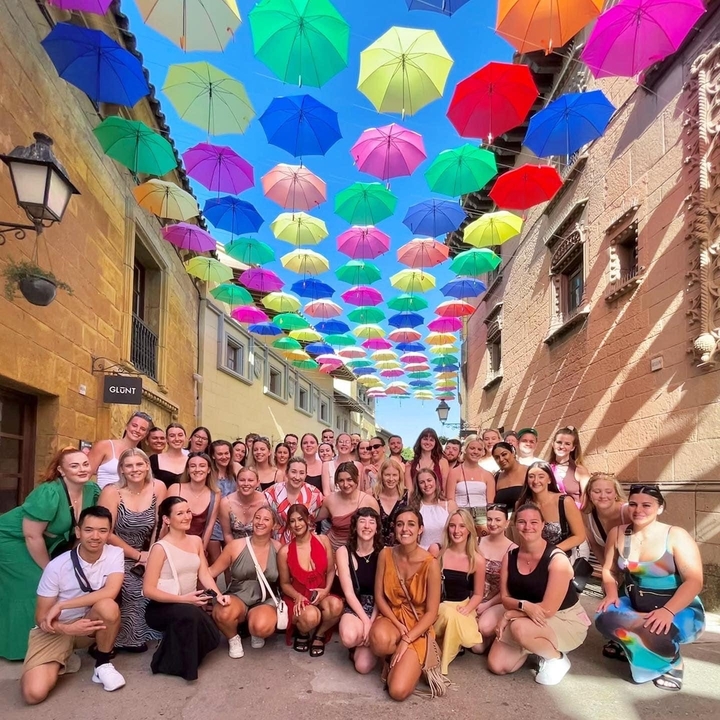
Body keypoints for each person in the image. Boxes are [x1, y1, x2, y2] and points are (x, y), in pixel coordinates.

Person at [595, 485, 705, 691]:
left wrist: (667, 611)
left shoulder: (676, 535)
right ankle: (634, 647)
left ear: (660, 508)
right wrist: (611, 593)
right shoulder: (618, 533)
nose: (638, 510)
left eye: (647, 505)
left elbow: (694, 581)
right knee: (604, 617)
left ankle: (674, 663)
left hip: (678, 607)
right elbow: (609, 570)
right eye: (633, 504)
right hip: (637, 601)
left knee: (656, 633)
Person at [0, 448, 100, 660]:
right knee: (35, 584)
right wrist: (51, 570)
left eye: (84, 464)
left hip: (43, 541)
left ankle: (43, 641)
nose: (82, 469)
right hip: (12, 539)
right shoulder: (49, 492)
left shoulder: (92, 490)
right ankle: (22, 649)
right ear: (62, 471)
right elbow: (32, 535)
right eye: (74, 466)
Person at [20, 506, 125, 704]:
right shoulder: (57, 566)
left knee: (108, 606)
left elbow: (110, 591)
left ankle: (102, 665)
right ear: (78, 532)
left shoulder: (114, 554)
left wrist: (63, 605)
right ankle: (63, 657)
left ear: (110, 533)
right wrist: (67, 627)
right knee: (33, 694)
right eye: (89, 530)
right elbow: (42, 617)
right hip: (56, 629)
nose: (96, 536)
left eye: (103, 531)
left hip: (88, 624)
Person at [488, 503, 590, 685]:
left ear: (543, 524)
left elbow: (548, 610)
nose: (528, 527)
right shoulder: (510, 556)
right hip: (527, 614)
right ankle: (533, 645)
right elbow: (505, 599)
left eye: (534, 522)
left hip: (561, 617)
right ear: (515, 525)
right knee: (498, 665)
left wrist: (510, 614)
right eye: (522, 522)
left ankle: (556, 658)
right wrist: (522, 605)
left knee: (519, 628)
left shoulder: (557, 559)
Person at [143, 496, 229, 680]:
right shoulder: (160, 548)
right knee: (189, 615)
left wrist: (218, 595)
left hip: (188, 604)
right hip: (161, 607)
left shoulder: (196, 541)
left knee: (211, 634)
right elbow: (148, 590)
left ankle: (173, 650)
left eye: (188, 512)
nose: (186, 517)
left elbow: (204, 574)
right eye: (180, 513)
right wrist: (184, 599)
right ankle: (181, 668)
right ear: (167, 519)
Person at [369, 508, 443, 701]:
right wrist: (398, 624)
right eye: (400, 524)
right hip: (392, 618)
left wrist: (407, 638)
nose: (405, 529)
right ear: (394, 528)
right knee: (379, 639)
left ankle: (406, 664)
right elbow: (379, 596)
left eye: (411, 524)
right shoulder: (385, 554)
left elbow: (432, 612)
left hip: (418, 625)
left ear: (420, 529)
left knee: (397, 691)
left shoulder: (431, 564)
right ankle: (391, 658)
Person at [98, 448, 166, 652]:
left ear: (147, 466)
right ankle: (127, 638)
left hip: (148, 550)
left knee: (160, 581)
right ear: (122, 470)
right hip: (115, 551)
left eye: (139, 464)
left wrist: (151, 554)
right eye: (129, 465)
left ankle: (154, 630)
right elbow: (106, 533)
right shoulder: (112, 492)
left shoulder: (158, 487)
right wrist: (137, 555)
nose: (135, 469)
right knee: (134, 587)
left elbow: (160, 525)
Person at [209, 506, 281, 658]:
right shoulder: (235, 546)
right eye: (257, 518)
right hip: (238, 595)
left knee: (262, 627)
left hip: (265, 599)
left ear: (274, 525)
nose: (260, 522)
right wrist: (214, 595)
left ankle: (253, 627)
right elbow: (210, 573)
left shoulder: (279, 548)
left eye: (266, 519)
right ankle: (233, 638)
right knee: (222, 613)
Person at [278, 504, 343, 657]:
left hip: (320, 592)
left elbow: (331, 570)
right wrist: (297, 596)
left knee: (336, 606)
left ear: (308, 519)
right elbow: (285, 584)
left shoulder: (323, 540)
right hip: (298, 597)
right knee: (311, 616)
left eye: (300, 519)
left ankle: (319, 634)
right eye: (292, 521)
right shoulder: (284, 551)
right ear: (289, 525)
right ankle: (303, 632)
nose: (297, 524)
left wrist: (326, 590)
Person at [434, 510, 485, 674]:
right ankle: (443, 665)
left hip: (462, 606)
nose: (457, 531)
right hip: (440, 606)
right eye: (452, 526)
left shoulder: (477, 559)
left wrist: (468, 609)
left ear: (469, 529)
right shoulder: (439, 553)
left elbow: (478, 594)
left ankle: (452, 642)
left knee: (475, 644)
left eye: (462, 526)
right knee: (448, 615)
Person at [336, 507, 383, 674]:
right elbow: (348, 592)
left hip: (379, 608)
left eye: (372, 522)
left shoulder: (384, 553)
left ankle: (376, 648)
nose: (367, 526)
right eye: (362, 521)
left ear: (377, 528)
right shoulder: (343, 552)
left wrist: (373, 620)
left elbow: (382, 594)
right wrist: (366, 622)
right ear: (355, 526)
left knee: (363, 667)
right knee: (349, 637)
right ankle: (358, 643)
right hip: (356, 605)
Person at [515, 462, 586, 556]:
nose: (536, 481)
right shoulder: (522, 504)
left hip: (564, 553)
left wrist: (551, 552)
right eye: (531, 476)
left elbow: (579, 536)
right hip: (534, 554)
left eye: (541, 476)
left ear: (549, 480)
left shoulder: (565, 501)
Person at [476, 504, 516, 653]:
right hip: (475, 598)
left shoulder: (512, 549)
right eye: (489, 519)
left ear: (506, 523)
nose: (493, 524)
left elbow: (510, 588)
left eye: (498, 520)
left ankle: (498, 633)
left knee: (484, 628)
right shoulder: (477, 541)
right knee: (476, 647)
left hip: (497, 600)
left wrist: (487, 605)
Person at [316, 463, 379, 551]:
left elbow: (378, 530)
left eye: (349, 479)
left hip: (359, 551)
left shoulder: (369, 501)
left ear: (356, 478)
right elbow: (313, 519)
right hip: (333, 549)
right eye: (341, 480)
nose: (345, 484)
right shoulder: (330, 500)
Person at [167, 452, 220, 553]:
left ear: (208, 470)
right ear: (188, 470)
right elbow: (165, 522)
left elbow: (209, 526)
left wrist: (201, 550)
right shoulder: (175, 488)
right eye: (192, 466)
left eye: (202, 466)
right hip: (172, 546)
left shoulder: (215, 494)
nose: (197, 469)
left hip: (197, 548)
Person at [264, 458, 323, 544]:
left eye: (302, 473)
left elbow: (325, 511)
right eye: (293, 472)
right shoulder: (273, 491)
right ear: (287, 473)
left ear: (306, 474)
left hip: (306, 543)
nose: (297, 477)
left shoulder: (314, 493)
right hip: (278, 543)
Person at [88, 411, 153, 489]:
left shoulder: (142, 456)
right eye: (134, 425)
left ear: (145, 434)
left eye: (142, 429)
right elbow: (85, 474)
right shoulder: (104, 446)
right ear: (126, 426)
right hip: (102, 497)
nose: (137, 430)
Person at [581, 473, 628, 577]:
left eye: (608, 491)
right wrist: (611, 573)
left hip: (638, 568)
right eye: (597, 491)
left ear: (616, 494)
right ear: (589, 494)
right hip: (614, 567)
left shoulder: (628, 512)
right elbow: (595, 546)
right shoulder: (585, 516)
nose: (603, 496)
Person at [446, 436, 495, 535]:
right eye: (472, 448)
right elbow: (450, 500)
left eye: (479, 449)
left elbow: (490, 504)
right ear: (465, 449)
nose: (475, 452)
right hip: (461, 513)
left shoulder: (488, 475)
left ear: (483, 452)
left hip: (482, 516)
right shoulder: (454, 473)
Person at [409, 468, 456, 557]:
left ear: (435, 481)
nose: (426, 484)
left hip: (446, 554)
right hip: (422, 554)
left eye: (429, 480)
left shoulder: (449, 505)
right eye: (422, 482)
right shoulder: (415, 507)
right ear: (418, 485)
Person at [208, 440, 241, 565]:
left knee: (232, 563)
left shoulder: (235, 470)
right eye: (220, 454)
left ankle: (230, 586)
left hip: (232, 523)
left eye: (226, 453)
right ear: (213, 455)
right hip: (214, 523)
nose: (224, 457)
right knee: (216, 563)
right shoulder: (209, 473)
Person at [219, 467, 267, 541]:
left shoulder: (265, 502)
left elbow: (268, 532)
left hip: (259, 545)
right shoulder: (226, 503)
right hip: (234, 546)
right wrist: (237, 551)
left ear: (258, 483)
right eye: (242, 480)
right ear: (236, 482)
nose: (246, 484)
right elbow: (227, 534)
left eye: (250, 480)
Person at [548, 426, 591, 507]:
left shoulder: (580, 470)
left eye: (567, 444)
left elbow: (585, 499)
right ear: (553, 444)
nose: (562, 446)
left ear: (573, 448)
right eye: (559, 442)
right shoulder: (546, 469)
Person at [405, 428, 450, 495]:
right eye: (425, 439)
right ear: (420, 441)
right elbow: (410, 491)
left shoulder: (443, 462)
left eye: (431, 440)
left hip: (438, 502)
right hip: (417, 503)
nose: (428, 442)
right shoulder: (410, 464)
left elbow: (445, 488)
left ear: (435, 443)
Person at [375, 458, 409, 547]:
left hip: (401, 548)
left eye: (394, 475)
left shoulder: (407, 496)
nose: (391, 479)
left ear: (399, 476)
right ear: (381, 476)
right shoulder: (373, 495)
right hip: (377, 548)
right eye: (387, 475)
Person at [149, 424, 188, 489]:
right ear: (167, 439)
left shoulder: (190, 460)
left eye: (180, 435)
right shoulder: (154, 460)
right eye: (172, 436)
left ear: (185, 438)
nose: (177, 439)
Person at [493, 442, 526, 511]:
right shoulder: (497, 477)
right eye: (497, 457)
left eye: (504, 454)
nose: (501, 459)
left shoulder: (529, 472)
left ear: (513, 453)